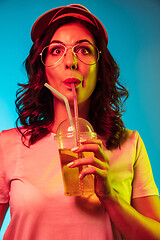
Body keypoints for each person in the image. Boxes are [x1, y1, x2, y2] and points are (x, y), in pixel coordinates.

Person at [0, 4, 160, 240]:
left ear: (100, 68)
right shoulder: (7, 145)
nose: (70, 62)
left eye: (83, 50)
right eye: (56, 51)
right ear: (43, 70)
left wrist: (110, 197)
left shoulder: (130, 144)